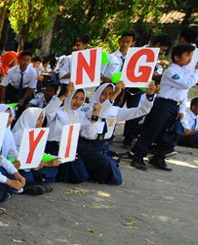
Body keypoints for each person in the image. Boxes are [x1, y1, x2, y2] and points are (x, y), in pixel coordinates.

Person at [128, 43, 197, 171]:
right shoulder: (171, 71)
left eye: (191, 56)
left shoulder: (185, 72)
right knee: (152, 130)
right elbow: (186, 85)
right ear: (177, 57)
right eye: (187, 55)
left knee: (168, 133)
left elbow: (183, 93)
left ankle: (159, 156)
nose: (190, 58)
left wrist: (182, 109)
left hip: (174, 106)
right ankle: (138, 156)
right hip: (163, 104)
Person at [78, 81, 154, 184]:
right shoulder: (87, 108)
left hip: (103, 145)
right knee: (106, 164)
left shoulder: (115, 111)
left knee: (112, 162)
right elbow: (99, 113)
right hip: (86, 145)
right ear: (97, 93)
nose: (106, 97)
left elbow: (141, 111)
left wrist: (149, 96)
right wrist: (115, 94)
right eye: (103, 93)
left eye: (110, 94)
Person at [42, 83, 90, 183]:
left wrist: (95, 115)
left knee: (80, 175)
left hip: (69, 149)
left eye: (82, 99)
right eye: (75, 97)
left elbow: (90, 130)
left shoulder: (82, 115)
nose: (78, 102)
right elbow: (47, 111)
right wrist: (64, 95)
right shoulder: (58, 111)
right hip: (53, 147)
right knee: (50, 175)